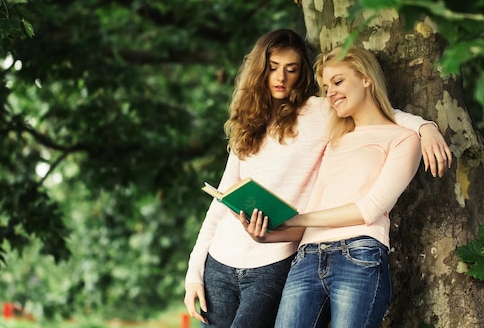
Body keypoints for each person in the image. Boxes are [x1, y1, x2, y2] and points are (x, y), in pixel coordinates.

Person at [184, 30, 451, 328]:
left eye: (291, 69)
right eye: (272, 67)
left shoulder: (321, 111)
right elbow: (220, 203)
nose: (280, 77)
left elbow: (381, 114)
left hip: (276, 257)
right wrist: (194, 272)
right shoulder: (249, 125)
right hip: (223, 257)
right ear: (259, 69)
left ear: (302, 74)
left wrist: (425, 127)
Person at [240, 45, 428, 328]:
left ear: (366, 78)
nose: (331, 93)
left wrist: (427, 127)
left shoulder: (403, 139)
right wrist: (265, 235)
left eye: (338, 82)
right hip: (306, 258)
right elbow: (313, 214)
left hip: (360, 254)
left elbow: (370, 208)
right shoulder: (334, 141)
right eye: (326, 87)